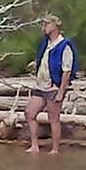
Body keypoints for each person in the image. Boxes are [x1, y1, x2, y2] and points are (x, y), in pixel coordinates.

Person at [25, 15, 74, 155]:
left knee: (53, 119)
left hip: (54, 87)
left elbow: (66, 71)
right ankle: (34, 145)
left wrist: (61, 92)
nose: (43, 27)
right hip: (40, 86)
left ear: (55, 25)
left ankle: (55, 149)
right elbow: (45, 60)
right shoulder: (46, 43)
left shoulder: (64, 46)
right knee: (29, 113)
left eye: (46, 24)